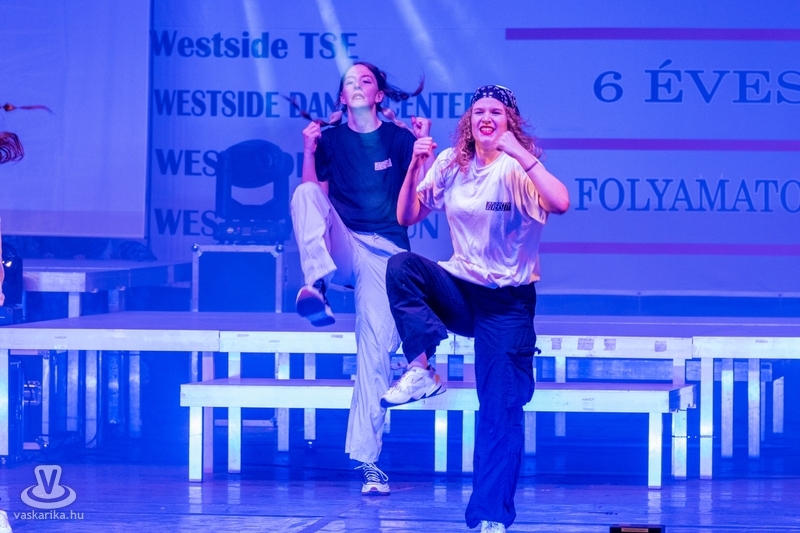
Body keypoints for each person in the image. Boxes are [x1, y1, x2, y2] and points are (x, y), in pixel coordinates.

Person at [382, 85, 570, 532]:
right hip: (461, 291)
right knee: (402, 266)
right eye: (478, 111)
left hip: (506, 305)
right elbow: (407, 216)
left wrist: (519, 152)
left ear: (510, 122)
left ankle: (490, 517)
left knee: (499, 412)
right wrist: (415, 165)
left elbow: (560, 202)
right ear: (469, 121)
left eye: (496, 112)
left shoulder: (518, 167)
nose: (486, 117)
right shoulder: (452, 162)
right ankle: (421, 370)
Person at [290, 61, 444, 495]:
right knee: (303, 193)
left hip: (386, 251)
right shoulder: (331, 140)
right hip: (344, 242)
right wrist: (308, 151)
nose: (357, 86)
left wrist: (424, 152)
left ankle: (369, 462)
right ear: (342, 97)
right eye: (349, 82)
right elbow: (315, 200)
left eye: (366, 81)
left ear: (378, 95)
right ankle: (317, 285)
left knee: (373, 351)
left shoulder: (398, 138)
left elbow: (424, 200)